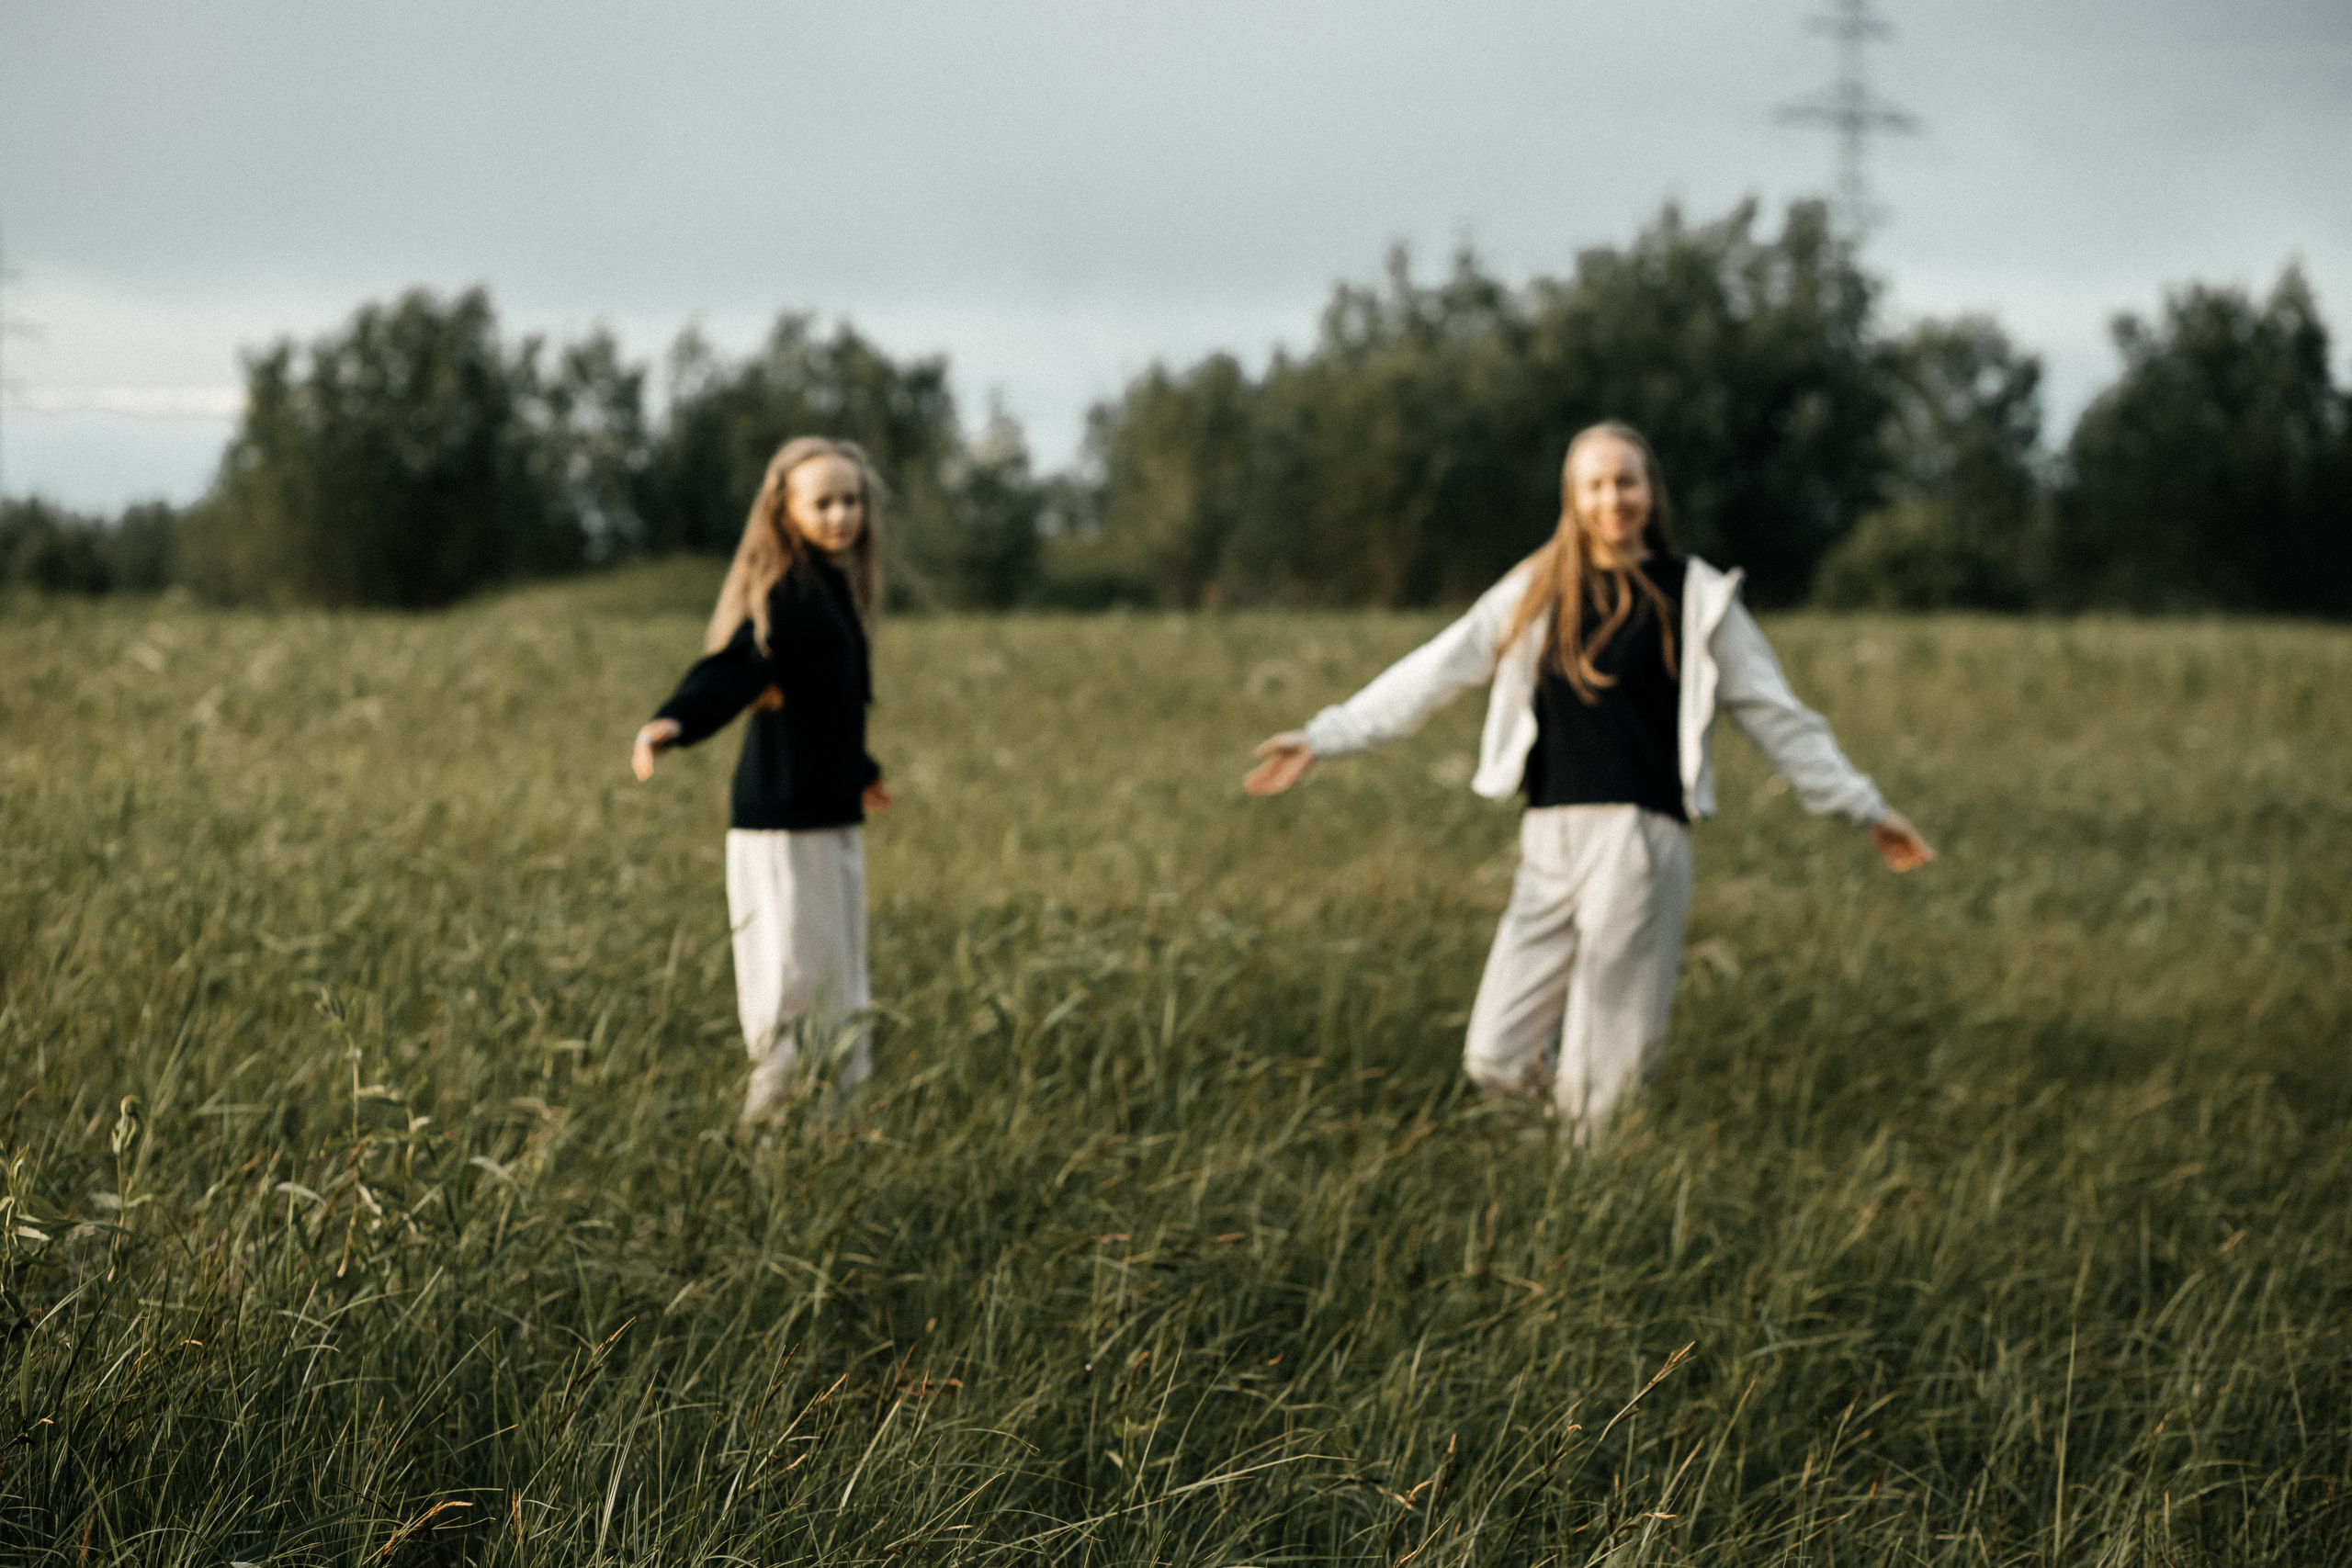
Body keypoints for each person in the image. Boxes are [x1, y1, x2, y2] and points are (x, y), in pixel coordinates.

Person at [1246, 421, 1933, 1133]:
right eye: (1596, 484)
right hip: (1549, 837)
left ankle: (1582, 1200)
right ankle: (1555, 1172)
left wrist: (1864, 807)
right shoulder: (1536, 589)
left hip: (1639, 838)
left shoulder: (1695, 595)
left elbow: (1776, 715)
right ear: (1573, 498)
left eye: (1627, 481)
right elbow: (1434, 669)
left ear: (1650, 492)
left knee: (1602, 1079)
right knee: (1495, 1055)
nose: (1614, 498)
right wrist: (1323, 737)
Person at [633, 436, 893, 1125]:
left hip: (829, 811)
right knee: (792, 984)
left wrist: (860, 772)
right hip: (782, 823)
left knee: (841, 979)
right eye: (825, 502)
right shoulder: (792, 592)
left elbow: (830, 702)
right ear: (785, 512)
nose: (842, 515)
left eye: (853, 500)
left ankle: (833, 1128)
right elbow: (738, 666)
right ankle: (772, 1136)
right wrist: (675, 722)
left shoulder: (834, 587)